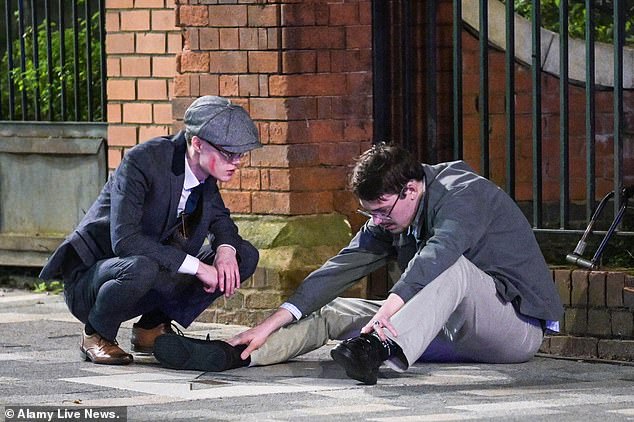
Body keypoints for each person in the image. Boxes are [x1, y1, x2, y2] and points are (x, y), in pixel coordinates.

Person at [153, 143, 563, 384]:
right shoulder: (388, 215)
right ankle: (236, 354)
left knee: (448, 266)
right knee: (334, 310)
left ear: (412, 188)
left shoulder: (462, 194)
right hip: (436, 328)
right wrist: (267, 323)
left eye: (383, 211)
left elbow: (439, 254)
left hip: (513, 330)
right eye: (371, 214)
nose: (378, 222)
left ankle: (377, 347)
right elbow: (338, 269)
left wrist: (388, 312)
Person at [39, 96, 260, 365]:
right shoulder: (143, 161)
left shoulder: (204, 176)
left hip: (148, 273)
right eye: (229, 153)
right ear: (198, 143)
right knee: (144, 265)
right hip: (96, 281)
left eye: (241, 154)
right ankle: (95, 335)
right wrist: (199, 267)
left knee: (243, 255)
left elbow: (221, 220)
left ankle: (151, 327)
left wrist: (225, 251)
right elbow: (125, 240)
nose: (237, 161)